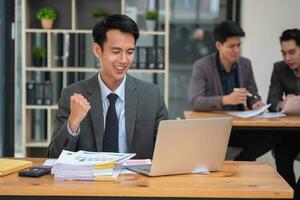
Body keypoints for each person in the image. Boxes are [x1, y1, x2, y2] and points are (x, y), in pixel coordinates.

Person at [47, 14, 168, 159]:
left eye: (130, 52)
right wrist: (73, 122)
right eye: (116, 52)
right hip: (91, 180)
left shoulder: (152, 96)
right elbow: (53, 157)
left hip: (136, 180)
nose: (124, 60)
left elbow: (167, 152)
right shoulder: (72, 95)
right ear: (97, 50)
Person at [188, 21, 274, 161]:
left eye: (238, 45)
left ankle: (241, 161)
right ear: (218, 45)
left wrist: (255, 103)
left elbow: (253, 93)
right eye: (231, 46)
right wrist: (225, 99)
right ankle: (242, 162)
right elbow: (195, 101)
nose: (236, 50)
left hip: (240, 127)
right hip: (215, 129)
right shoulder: (202, 66)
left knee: (273, 135)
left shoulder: (245, 64)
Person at [267, 29, 300, 197]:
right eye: (284, 53)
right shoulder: (279, 68)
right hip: (292, 130)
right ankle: (290, 194)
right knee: (281, 153)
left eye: (292, 52)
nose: (287, 58)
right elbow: (272, 99)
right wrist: (283, 104)